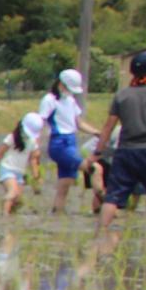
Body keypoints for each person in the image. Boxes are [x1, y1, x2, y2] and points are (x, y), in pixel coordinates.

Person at [98, 52, 146, 231]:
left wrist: (98, 151)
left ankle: (100, 233)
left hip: (125, 151)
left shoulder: (122, 95)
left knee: (113, 197)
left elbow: (108, 127)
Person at [41, 69, 100, 214]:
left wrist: (96, 132)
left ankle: (57, 212)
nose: (69, 91)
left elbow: (79, 123)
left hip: (71, 141)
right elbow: (41, 121)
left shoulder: (71, 100)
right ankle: (105, 202)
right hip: (59, 143)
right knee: (94, 168)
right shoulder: (49, 100)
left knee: (65, 184)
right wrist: (36, 143)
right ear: (61, 83)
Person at [0, 112, 45, 217]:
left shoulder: (32, 142)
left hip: (19, 173)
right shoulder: (11, 138)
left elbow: (33, 160)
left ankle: (11, 217)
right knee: (13, 192)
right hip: (7, 169)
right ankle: (4, 216)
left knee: (18, 201)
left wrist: (36, 177)